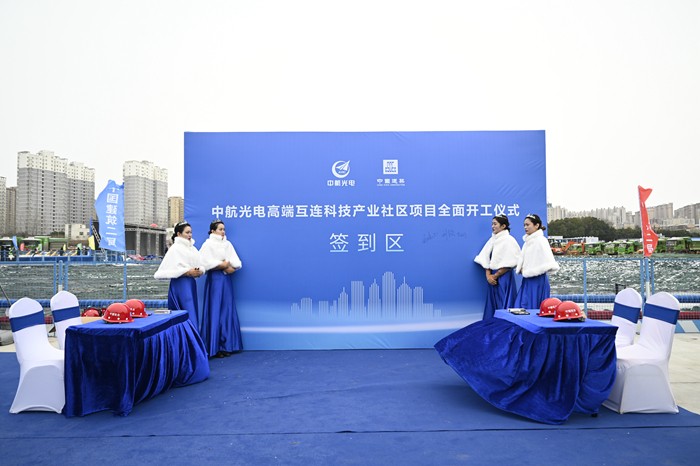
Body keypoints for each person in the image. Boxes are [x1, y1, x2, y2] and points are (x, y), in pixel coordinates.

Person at [198, 219, 243, 358]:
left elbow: (236, 262)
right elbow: (203, 262)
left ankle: (227, 345)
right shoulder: (207, 244)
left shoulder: (227, 244)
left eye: (224, 229)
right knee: (215, 310)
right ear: (213, 231)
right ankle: (214, 347)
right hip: (215, 280)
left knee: (226, 310)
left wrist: (230, 267)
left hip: (226, 280)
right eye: (220, 229)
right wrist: (220, 264)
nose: (223, 232)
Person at [154, 221, 204, 325]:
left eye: (190, 232)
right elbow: (166, 270)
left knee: (191, 310)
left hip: (190, 283)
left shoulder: (193, 249)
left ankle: (192, 333)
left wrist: (199, 271)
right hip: (180, 284)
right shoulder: (175, 249)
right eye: (187, 232)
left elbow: (200, 264)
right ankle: (188, 334)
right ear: (179, 234)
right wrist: (186, 272)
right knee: (186, 311)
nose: (190, 235)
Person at [474, 214, 521, 319]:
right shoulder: (492, 240)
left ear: (503, 226)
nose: (492, 226)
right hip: (492, 278)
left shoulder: (509, 240)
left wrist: (495, 276)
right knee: (493, 304)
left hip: (504, 277)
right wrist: (488, 275)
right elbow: (485, 258)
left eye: (495, 224)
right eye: (492, 224)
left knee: (504, 302)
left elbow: (510, 262)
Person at [514, 213, 560, 309]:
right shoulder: (527, 242)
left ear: (536, 225)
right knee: (523, 306)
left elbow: (547, 261)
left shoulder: (541, 240)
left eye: (528, 225)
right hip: (527, 280)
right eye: (524, 225)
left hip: (537, 281)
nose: (525, 227)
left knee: (533, 306)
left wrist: (533, 269)